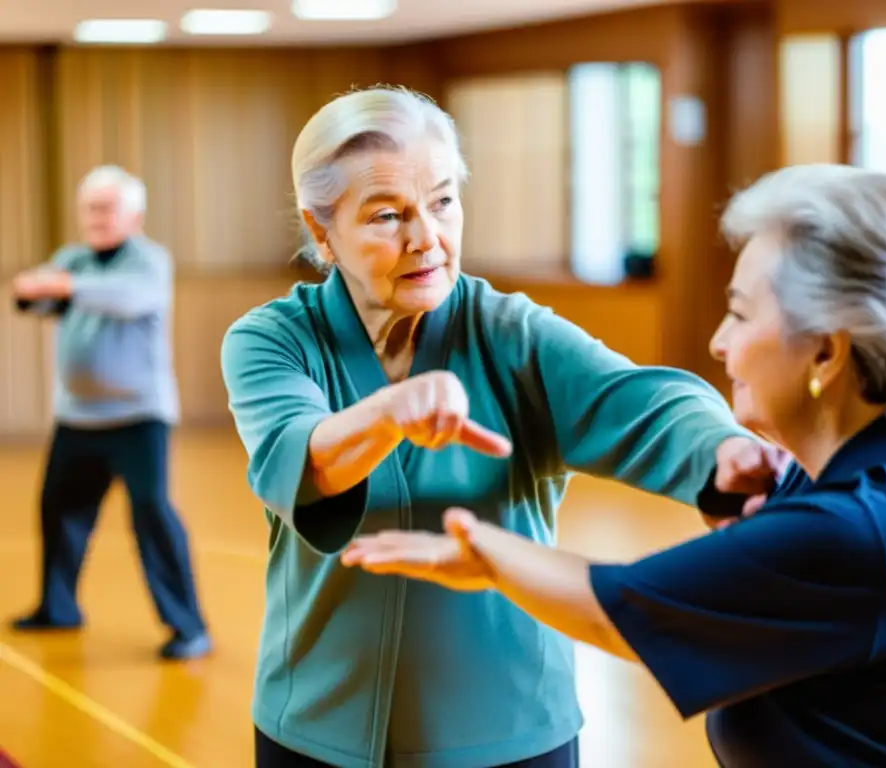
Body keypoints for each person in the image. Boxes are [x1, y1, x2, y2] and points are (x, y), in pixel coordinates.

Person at [344, 164, 886, 766]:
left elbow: (614, 613)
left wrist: (488, 551)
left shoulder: (859, 529)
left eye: (739, 313)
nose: (719, 342)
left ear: (826, 354)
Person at [219, 86, 782, 768]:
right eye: (388, 215)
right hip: (314, 724)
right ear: (321, 231)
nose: (426, 238)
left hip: (511, 727)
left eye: (444, 201)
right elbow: (298, 460)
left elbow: (638, 399)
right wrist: (387, 413)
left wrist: (721, 449)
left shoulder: (510, 334)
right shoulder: (273, 340)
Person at [9, 165, 211, 661]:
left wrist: (59, 285)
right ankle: (58, 608)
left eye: (106, 208)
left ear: (134, 216)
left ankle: (188, 628)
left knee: (153, 515)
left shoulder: (149, 261)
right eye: (89, 208)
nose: (95, 217)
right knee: (59, 511)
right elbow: (39, 304)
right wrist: (28, 291)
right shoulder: (72, 260)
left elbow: (129, 298)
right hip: (77, 418)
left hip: (139, 418)